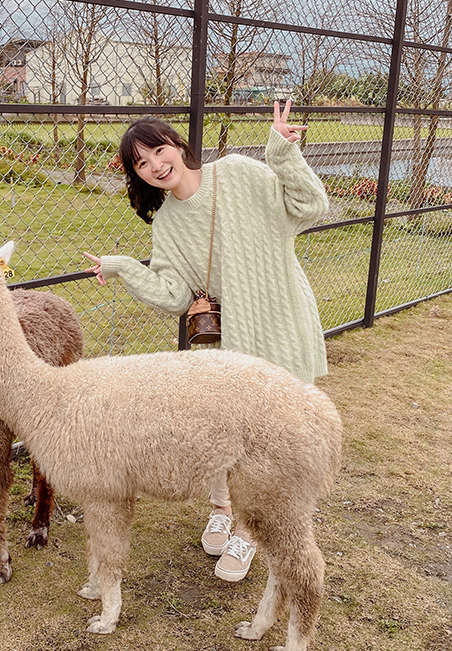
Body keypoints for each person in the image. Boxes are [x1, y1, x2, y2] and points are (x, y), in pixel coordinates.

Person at [81, 99, 329, 582]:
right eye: (141, 163)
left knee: (272, 441)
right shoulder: (168, 222)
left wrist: (281, 153)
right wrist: (124, 266)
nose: (155, 165)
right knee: (224, 429)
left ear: (177, 144)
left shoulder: (236, 172)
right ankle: (221, 508)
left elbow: (311, 206)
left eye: (158, 150)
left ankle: (249, 530)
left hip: (282, 320)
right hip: (234, 340)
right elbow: (174, 294)